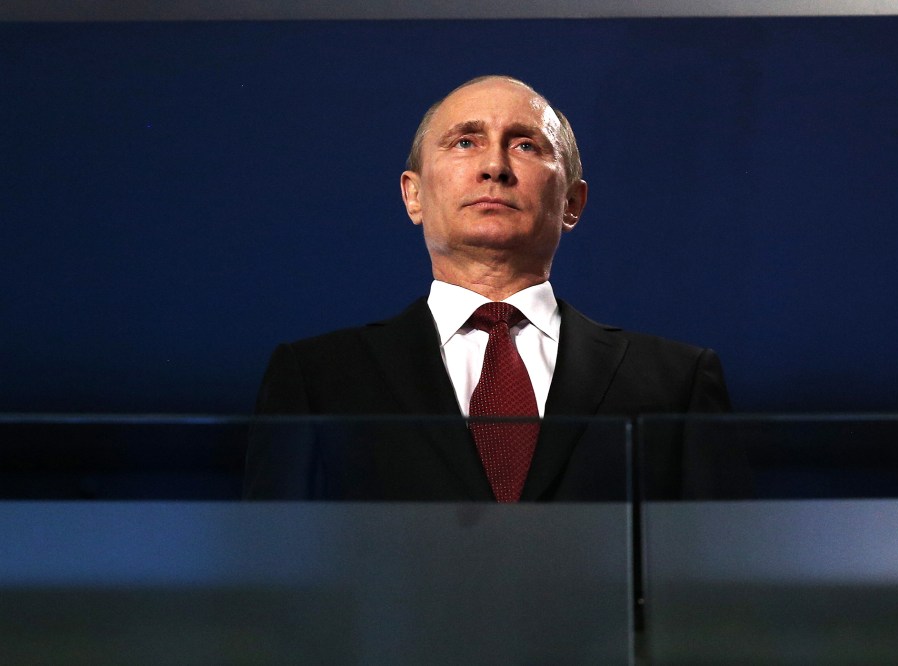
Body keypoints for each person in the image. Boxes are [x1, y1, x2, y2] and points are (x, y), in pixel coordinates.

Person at [244, 75, 737, 502]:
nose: (494, 166)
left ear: (572, 202)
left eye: (525, 145)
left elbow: (724, 580)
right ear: (413, 195)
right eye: (465, 142)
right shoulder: (316, 381)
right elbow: (270, 579)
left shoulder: (678, 383)